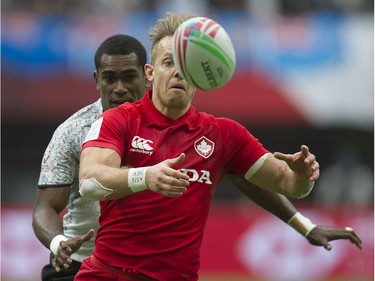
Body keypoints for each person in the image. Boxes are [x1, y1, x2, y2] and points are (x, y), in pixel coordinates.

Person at [76, 13, 361, 281]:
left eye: (186, 65)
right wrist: (145, 177)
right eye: (167, 63)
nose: (177, 73)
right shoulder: (119, 120)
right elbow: (89, 181)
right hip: (108, 274)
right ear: (150, 72)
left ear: (200, 73)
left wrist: (302, 176)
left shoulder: (223, 134)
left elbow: (289, 185)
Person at [32, 34, 149, 281]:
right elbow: (45, 208)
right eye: (109, 78)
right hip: (80, 265)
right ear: (97, 80)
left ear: (147, 76)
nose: (119, 88)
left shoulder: (167, 128)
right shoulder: (73, 131)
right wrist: (58, 242)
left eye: (129, 77)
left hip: (145, 267)